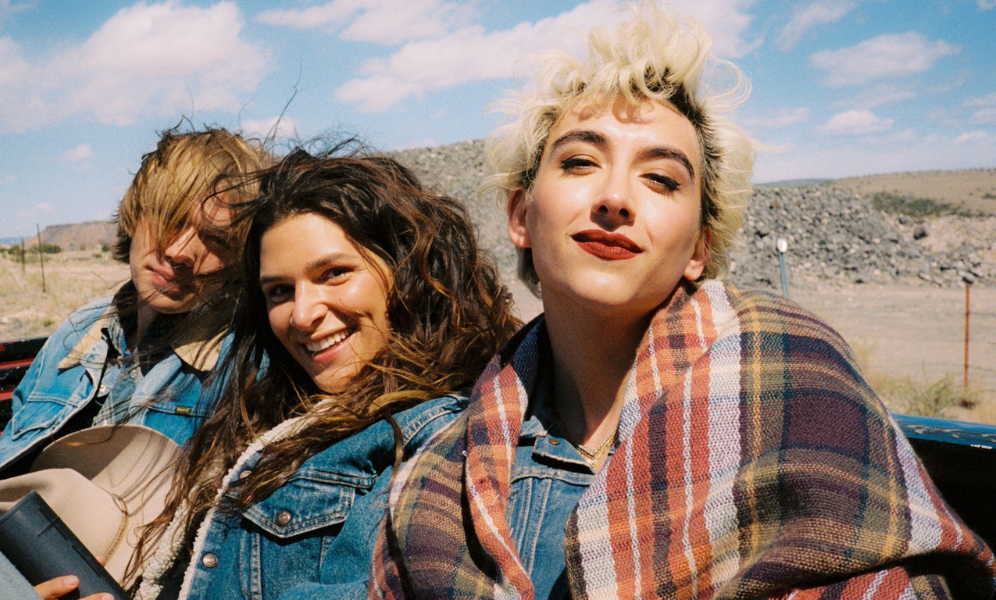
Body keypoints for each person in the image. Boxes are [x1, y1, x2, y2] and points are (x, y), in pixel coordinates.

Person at [371, 3, 996, 600]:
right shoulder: (440, 473)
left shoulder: (797, 384)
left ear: (700, 246)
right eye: (581, 161)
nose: (614, 198)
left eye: (661, 178)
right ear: (520, 215)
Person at [129, 148, 520, 600]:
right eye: (279, 291)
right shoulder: (284, 409)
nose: (301, 314)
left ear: (407, 272)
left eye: (334, 273)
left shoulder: (433, 441)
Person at [0, 127, 269, 506]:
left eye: (216, 239)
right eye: (170, 219)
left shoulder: (243, 363)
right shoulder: (80, 330)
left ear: (239, 260)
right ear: (135, 215)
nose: (181, 251)